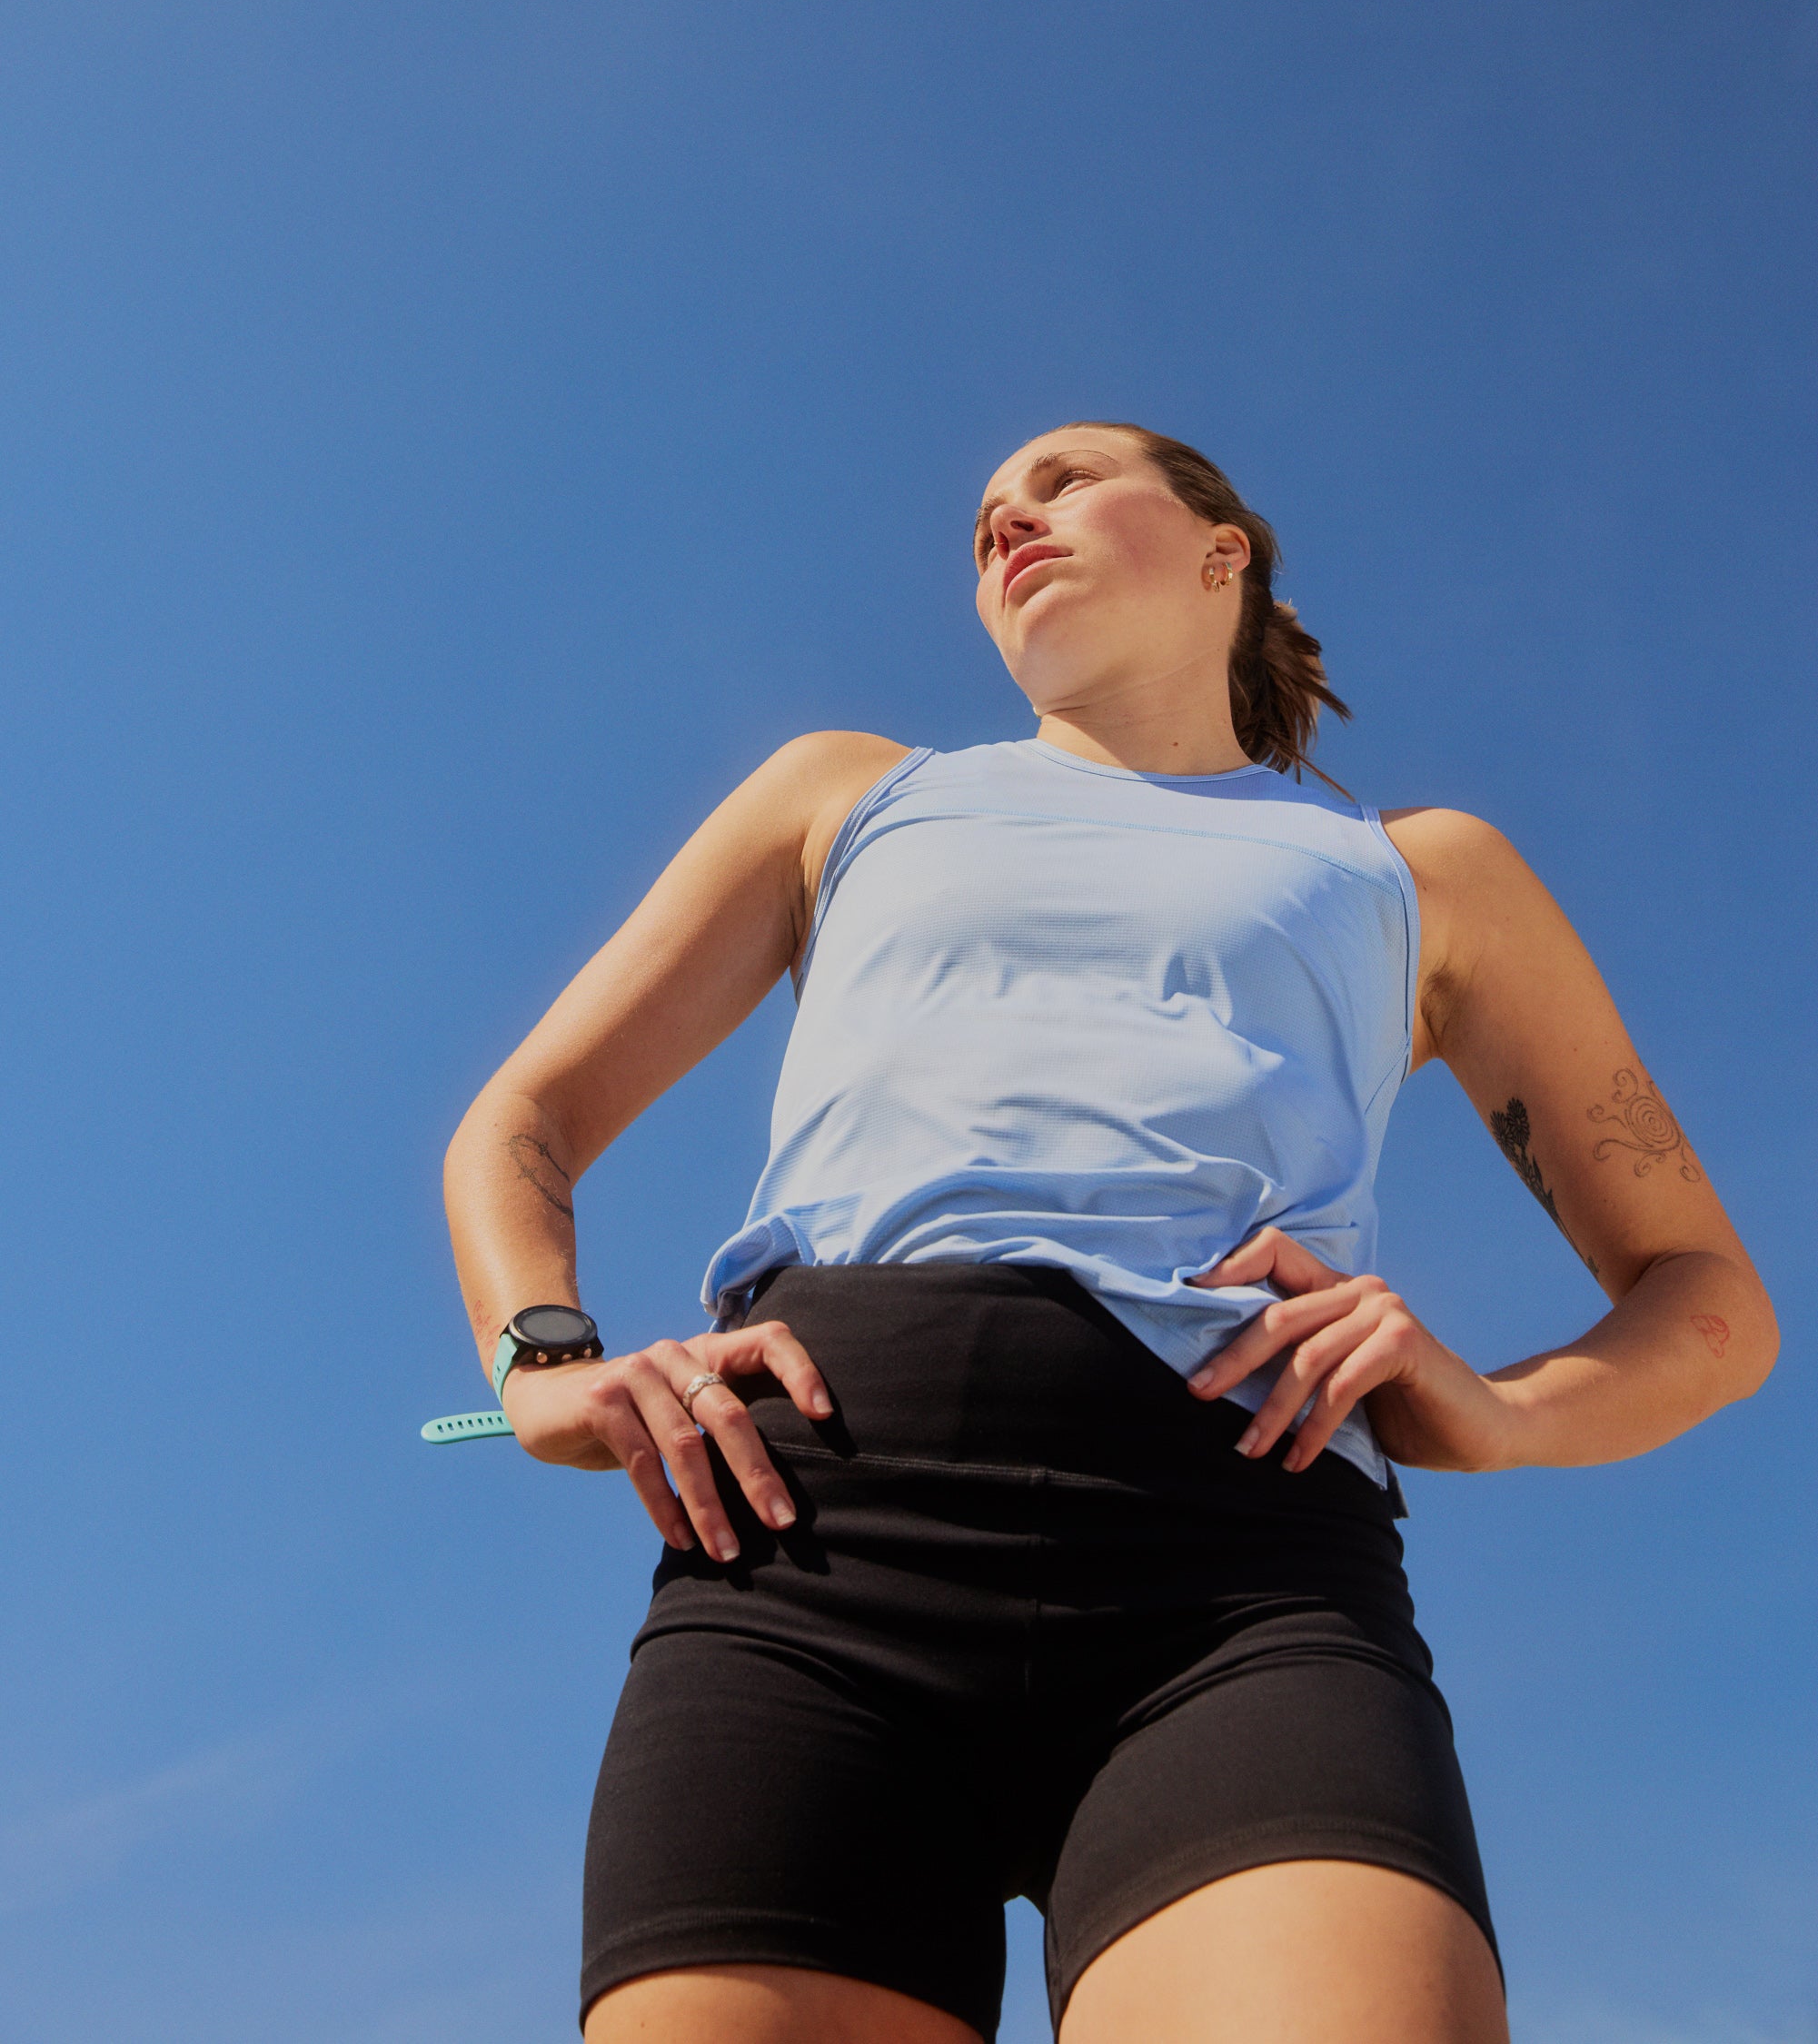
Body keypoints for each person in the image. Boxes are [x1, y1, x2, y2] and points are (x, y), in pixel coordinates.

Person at [442, 421, 1776, 2044]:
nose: (1011, 515)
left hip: (1241, 1587)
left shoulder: (1414, 876)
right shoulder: (845, 796)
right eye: (989, 512)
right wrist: (539, 1360)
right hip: (801, 1554)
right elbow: (521, 1122)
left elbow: (1708, 1295)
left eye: (1066, 479)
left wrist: (1495, 1418)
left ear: (1226, 550)